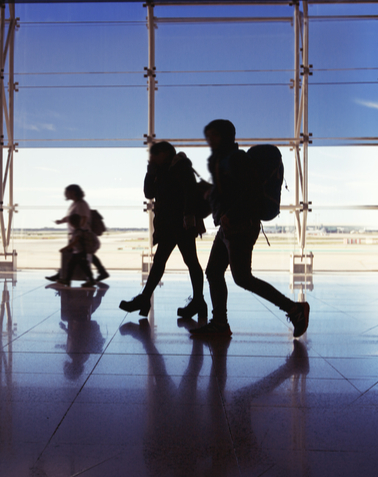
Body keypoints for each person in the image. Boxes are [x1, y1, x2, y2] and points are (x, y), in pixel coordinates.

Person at [190, 119, 309, 338]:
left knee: (242, 277)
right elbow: (224, 196)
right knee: (214, 272)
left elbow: (251, 193)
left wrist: (229, 214)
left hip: (241, 226)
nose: (209, 139)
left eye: (214, 135)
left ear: (226, 136)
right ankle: (220, 324)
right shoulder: (224, 161)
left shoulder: (237, 159)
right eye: (208, 135)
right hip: (228, 227)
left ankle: (295, 309)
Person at [120, 141, 207, 319]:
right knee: (179, 261)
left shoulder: (181, 166)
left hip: (181, 223)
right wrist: (149, 172)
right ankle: (198, 301)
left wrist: (189, 216)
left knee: (182, 261)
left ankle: (146, 299)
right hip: (169, 223)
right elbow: (149, 193)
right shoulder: (160, 170)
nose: (151, 157)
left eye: (154, 153)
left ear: (166, 153)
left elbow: (190, 191)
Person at [46, 184, 109, 284]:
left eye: (67, 192)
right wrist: (61, 221)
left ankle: (64, 276)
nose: (65, 194)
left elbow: (83, 218)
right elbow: (71, 218)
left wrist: (78, 231)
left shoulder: (81, 204)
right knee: (82, 257)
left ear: (73, 192)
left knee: (78, 257)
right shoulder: (75, 204)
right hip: (77, 234)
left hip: (81, 236)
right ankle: (63, 275)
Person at [59, 214, 98, 287]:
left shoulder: (78, 231)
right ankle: (67, 280)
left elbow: (75, 241)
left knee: (82, 267)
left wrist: (66, 248)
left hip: (80, 253)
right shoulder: (78, 230)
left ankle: (91, 280)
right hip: (78, 252)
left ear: (71, 223)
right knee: (73, 266)